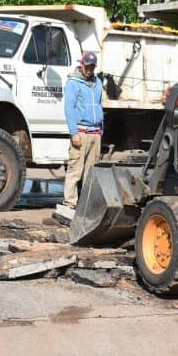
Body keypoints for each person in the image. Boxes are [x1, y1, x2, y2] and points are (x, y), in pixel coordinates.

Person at [53, 51, 104, 226]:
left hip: (95, 133)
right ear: (81, 64)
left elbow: (100, 105)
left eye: (92, 67)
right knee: (75, 170)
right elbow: (69, 108)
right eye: (87, 66)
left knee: (91, 173)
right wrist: (74, 132)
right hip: (81, 132)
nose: (89, 70)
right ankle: (69, 205)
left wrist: (101, 129)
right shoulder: (73, 83)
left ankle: (86, 205)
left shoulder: (97, 83)